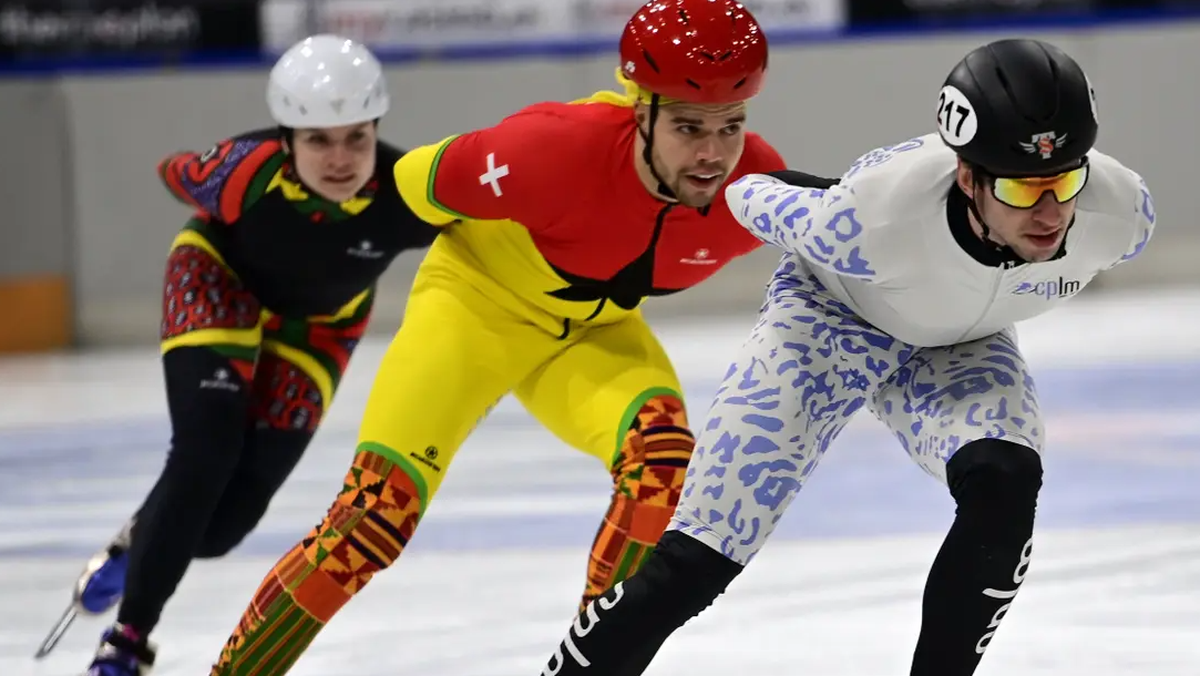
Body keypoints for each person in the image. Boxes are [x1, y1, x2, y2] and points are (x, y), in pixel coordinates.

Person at [201, 1, 791, 673]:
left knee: (660, 463)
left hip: (589, 334)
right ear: (641, 109)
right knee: (371, 521)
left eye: (731, 126)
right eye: (689, 127)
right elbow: (409, 182)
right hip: (476, 311)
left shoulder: (756, 188)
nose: (713, 154)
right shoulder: (546, 151)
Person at [536, 38, 1157, 676]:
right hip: (830, 326)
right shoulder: (868, 223)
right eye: (1023, 193)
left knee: (1005, 483)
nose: (1052, 212)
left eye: (1065, 181)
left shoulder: (1120, 214)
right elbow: (751, 192)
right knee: (696, 562)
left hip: (959, 343)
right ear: (967, 176)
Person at [33, 34, 443, 676]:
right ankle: (127, 644)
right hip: (217, 280)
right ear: (285, 141)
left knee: (222, 530)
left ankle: (136, 544)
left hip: (320, 326)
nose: (339, 159)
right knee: (204, 453)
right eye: (317, 140)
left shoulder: (408, 194)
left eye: (356, 138)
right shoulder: (238, 172)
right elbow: (174, 171)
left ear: (376, 130)